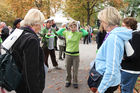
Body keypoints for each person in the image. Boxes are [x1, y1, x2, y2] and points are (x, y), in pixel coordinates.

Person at [89, 7, 132, 93]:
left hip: (106, 83)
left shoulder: (113, 38)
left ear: (107, 21)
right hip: (107, 80)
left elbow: (112, 70)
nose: (101, 23)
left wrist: (100, 90)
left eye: (102, 21)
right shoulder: (115, 35)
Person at [11, 8, 45, 93]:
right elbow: (31, 71)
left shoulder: (18, 33)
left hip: (18, 81)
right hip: (28, 87)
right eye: (40, 24)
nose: (41, 27)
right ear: (36, 24)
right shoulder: (31, 40)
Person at [57, 21, 88, 88]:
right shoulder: (67, 33)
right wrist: (64, 28)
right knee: (68, 69)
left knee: (75, 70)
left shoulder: (78, 34)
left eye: (75, 27)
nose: (73, 28)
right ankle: (68, 81)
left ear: (76, 27)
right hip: (68, 54)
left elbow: (86, 33)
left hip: (76, 55)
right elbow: (58, 33)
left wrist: (80, 29)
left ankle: (75, 81)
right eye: (72, 27)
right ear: (70, 27)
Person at [121, 17, 140, 93]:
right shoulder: (133, 35)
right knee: (126, 89)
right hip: (129, 69)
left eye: (123, 25)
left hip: (130, 69)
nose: (121, 27)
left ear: (129, 26)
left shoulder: (136, 36)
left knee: (126, 90)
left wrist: (123, 57)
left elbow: (135, 55)